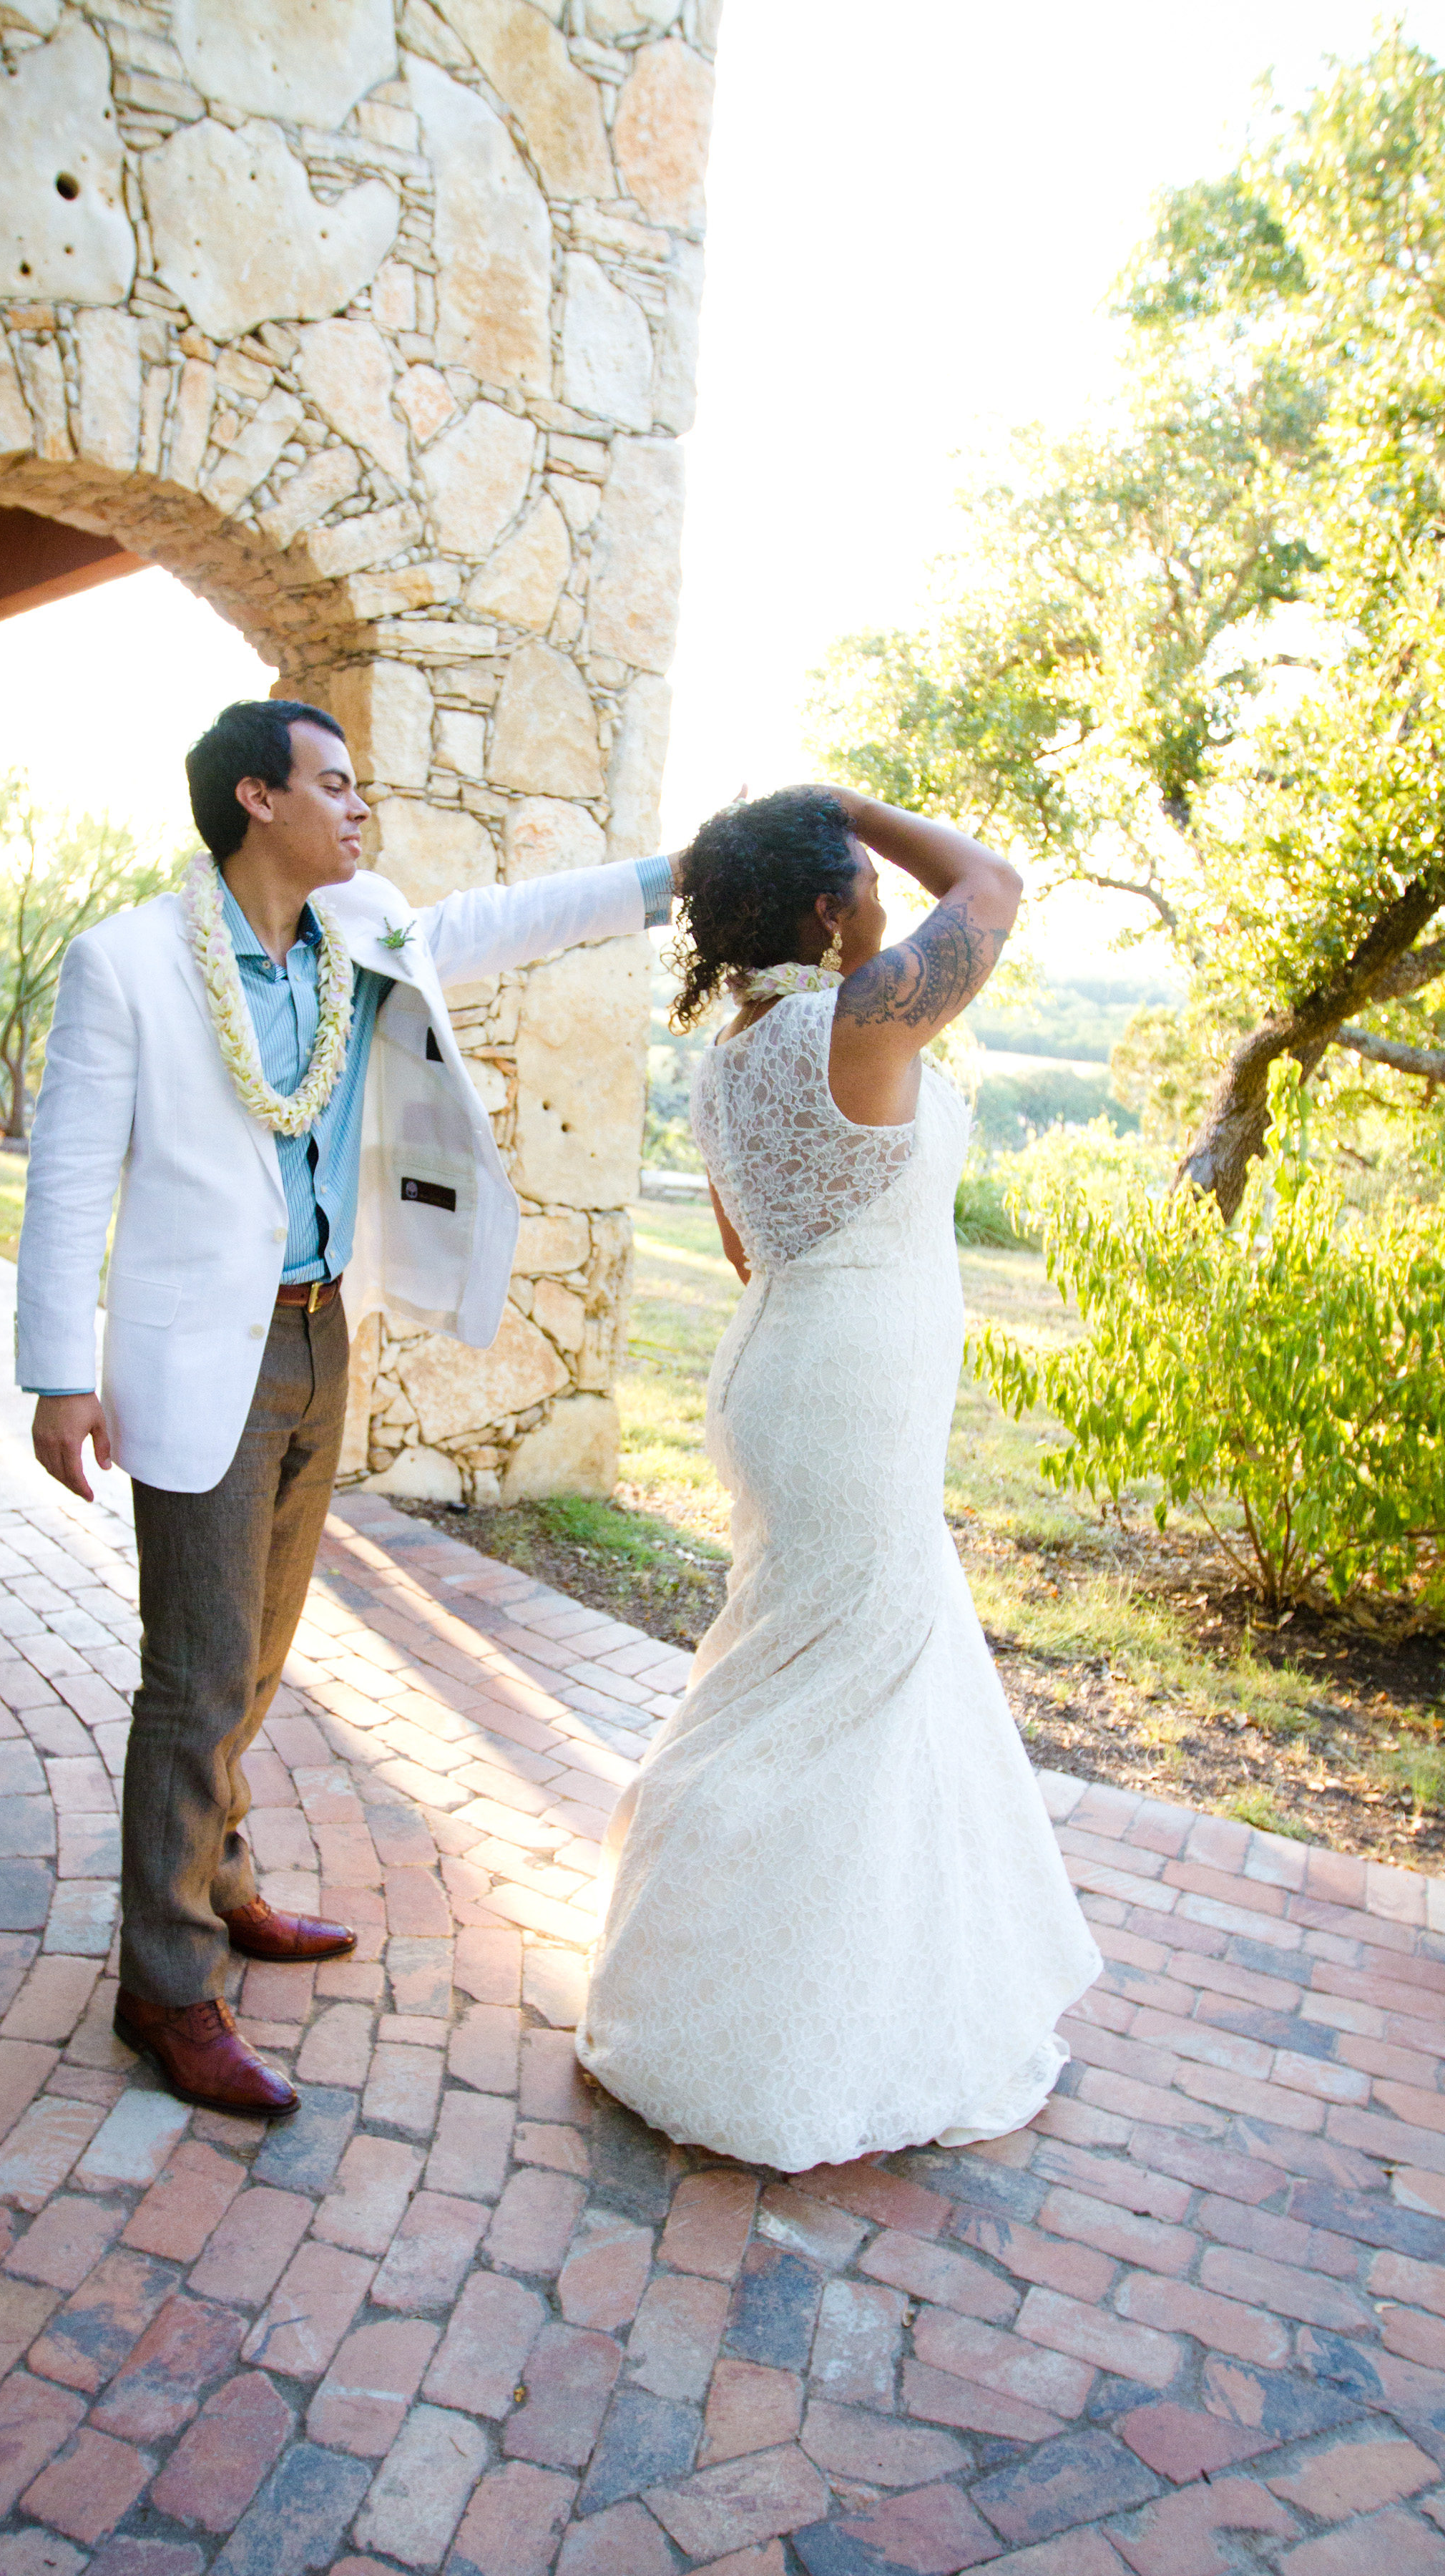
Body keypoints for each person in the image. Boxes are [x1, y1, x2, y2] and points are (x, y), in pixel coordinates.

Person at [16, 698, 677, 2117]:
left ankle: (220, 1879)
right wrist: (58, 1375)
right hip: (204, 1354)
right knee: (195, 1674)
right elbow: (66, 1178)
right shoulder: (128, 962)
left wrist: (671, 879)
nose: (360, 807)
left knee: (257, 1656)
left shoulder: (360, 929)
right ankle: (165, 1986)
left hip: (325, 1332)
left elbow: (502, 922)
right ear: (257, 799)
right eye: (335, 783)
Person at [575, 784, 1102, 2170]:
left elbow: (747, 1248)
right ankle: (755, 2029)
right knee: (836, 1687)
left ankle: (787, 1976)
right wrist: (847, 801)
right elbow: (992, 884)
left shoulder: (735, 1053)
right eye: (863, 874)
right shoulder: (858, 1023)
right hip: (850, 1398)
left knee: (797, 1666)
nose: (882, 891)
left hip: (784, 1373)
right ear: (826, 909)